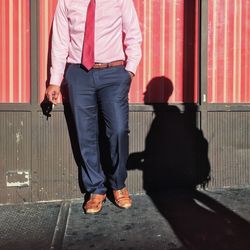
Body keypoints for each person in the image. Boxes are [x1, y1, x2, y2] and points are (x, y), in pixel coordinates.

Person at [45, 0, 142, 214]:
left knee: (117, 130)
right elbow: (60, 42)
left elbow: (133, 33)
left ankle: (118, 184)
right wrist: (55, 80)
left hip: (114, 72)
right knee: (85, 134)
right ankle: (96, 189)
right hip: (79, 73)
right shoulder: (66, 2)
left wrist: (130, 69)